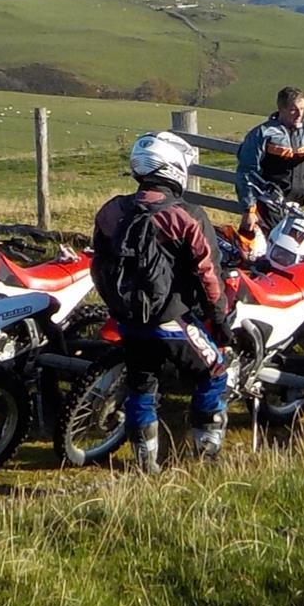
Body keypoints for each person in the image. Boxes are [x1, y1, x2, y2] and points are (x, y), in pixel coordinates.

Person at [91, 132, 240, 472]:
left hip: (128, 321)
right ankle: (207, 450)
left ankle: (146, 461)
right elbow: (209, 276)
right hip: (173, 321)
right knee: (215, 371)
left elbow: (98, 263)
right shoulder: (186, 215)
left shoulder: (112, 211)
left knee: (141, 384)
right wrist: (220, 322)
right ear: (173, 168)